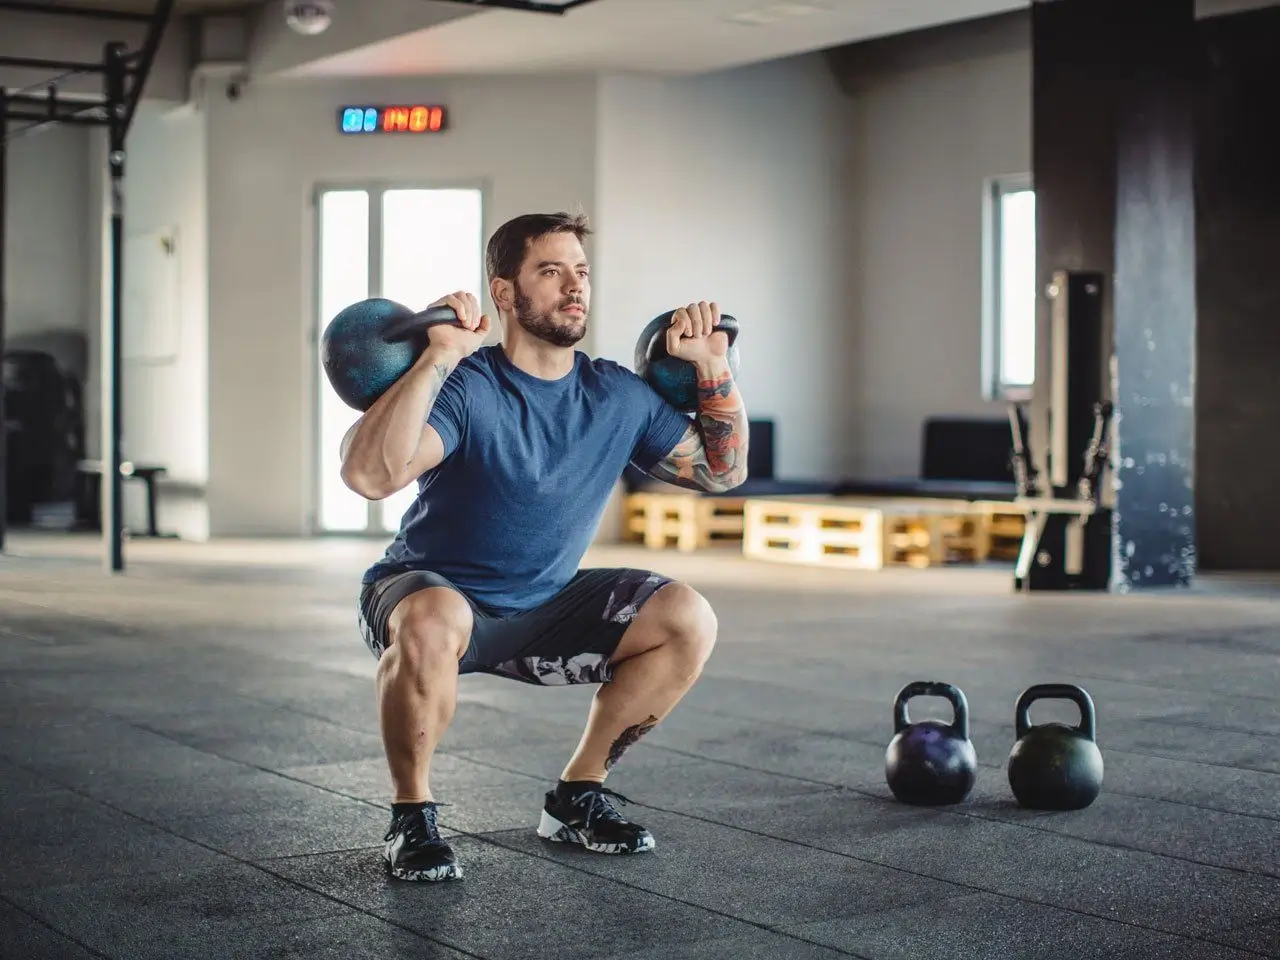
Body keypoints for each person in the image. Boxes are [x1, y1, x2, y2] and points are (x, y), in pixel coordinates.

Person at [339, 211, 749, 882]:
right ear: (504, 293)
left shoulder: (616, 394)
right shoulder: (470, 387)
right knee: (435, 615)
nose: (573, 288)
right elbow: (370, 475)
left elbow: (720, 474)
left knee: (687, 617)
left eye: (580, 272)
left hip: (545, 601)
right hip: (427, 593)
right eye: (551, 271)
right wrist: (440, 356)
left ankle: (577, 796)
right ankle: (411, 816)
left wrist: (712, 367)